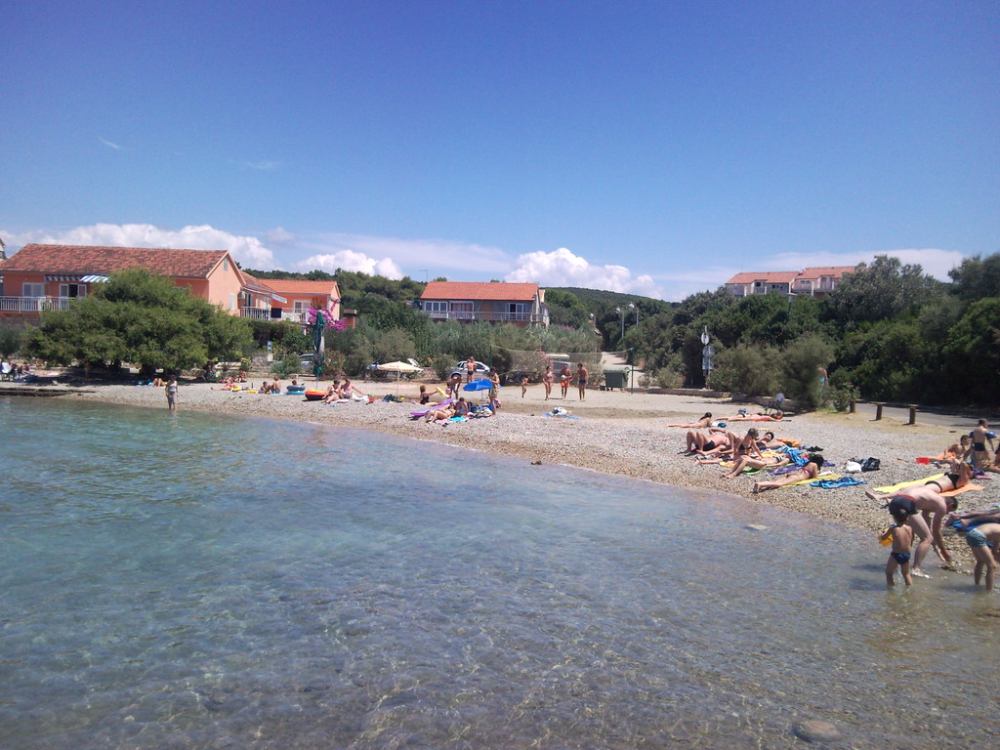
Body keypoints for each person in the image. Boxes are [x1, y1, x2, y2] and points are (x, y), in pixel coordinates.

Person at [866, 487, 957, 576]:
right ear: (949, 504)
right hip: (906, 502)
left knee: (910, 533)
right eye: (949, 511)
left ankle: (900, 563)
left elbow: (925, 524)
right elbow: (936, 532)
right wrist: (944, 552)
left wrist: (935, 546)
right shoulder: (942, 505)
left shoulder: (930, 498)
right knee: (927, 538)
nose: (946, 513)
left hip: (895, 500)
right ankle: (916, 569)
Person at [752, 455, 823, 494]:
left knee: (775, 483)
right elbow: (814, 477)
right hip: (796, 477)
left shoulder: (807, 463)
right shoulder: (814, 465)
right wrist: (819, 472)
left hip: (792, 474)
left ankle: (761, 486)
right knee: (779, 484)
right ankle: (760, 484)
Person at [884, 503, 915, 587]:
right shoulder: (910, 528)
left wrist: (884, 533)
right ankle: (910, 588)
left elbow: (883, 538)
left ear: (894, 518)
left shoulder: (893, 529)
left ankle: (891, 590)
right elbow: (912, 538)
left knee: (889, 573)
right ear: (907, 519)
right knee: (906, 573)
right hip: (907, 554)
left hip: (896, 554)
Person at [961, 522, 1000, 591]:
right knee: (992, 566)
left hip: (971, 533)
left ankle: (976, 585)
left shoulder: (997, 529)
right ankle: (989, 592)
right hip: (978, 537)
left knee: (980, 561)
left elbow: (994, 552)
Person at [722, 453, 791, 479]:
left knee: (746, 461)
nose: (787, 453)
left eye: (789, 453)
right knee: (743, 457)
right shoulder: (782, 456)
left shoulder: (787, 459)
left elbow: (779, 464)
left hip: (764, 464)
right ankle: (730, 472)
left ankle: (734, 474)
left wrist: (768, 466)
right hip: (761, 461)